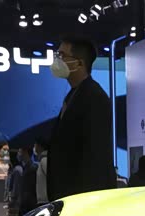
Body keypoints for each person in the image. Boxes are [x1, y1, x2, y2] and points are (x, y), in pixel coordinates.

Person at [47, 35, 116, 201]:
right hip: (68, 195)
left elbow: (96, 154)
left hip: (83, 197)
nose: (58, 60)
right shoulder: (74, 95)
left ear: (79, 63)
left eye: (62, 55)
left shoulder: (94, 97)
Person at [0, 151, 21, 216]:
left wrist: (12, 201)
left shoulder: (17, 170)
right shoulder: (11, 169)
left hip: (15, 204)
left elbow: (16, 188)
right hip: (12, 203)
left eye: (6, 156)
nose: (4, 158)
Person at [16, 145, 38, 216]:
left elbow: (30, 189)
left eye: (20, 151)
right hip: (25, 204)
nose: (18, 154)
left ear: (25, 152)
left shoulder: (32, 168)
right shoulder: (25, 167)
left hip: (28, 205)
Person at [34, 138, 49, 205]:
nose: (34, 147)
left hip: (45, 201)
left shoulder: (44, 159)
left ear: (40, 146)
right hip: (43, 200)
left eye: (35, 145)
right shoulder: (42, 160)